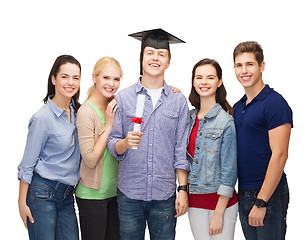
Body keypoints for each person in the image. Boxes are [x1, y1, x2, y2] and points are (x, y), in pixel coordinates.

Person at [107, 28, 190, 240]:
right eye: (150, 53)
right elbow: (112, 142)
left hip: (164, 195)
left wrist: (183, 189)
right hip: (129, 194)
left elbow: (181, 149)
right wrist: (125, 143)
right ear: (141, 58)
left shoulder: (177, 100)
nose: (155, 58)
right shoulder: (124, 98)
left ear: (168, 62)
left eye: (161, 54)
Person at [233, 41, 293, 240]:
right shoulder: (238, 106)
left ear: (262, 66)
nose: (244, 71)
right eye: (239, 65)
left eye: (250, 64)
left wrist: (261, 201)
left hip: (268, 194)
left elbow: (280, 154)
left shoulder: (274, 103)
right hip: (244, 191)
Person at [17, 55, 82, 240]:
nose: (70, 82)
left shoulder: (79, 113)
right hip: (41, 193)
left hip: (67, 196)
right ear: (53, 79)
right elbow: (27, 164)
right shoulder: (42, 118)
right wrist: (22, 202)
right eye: (64, 76)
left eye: (76, 78)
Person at [187, 58, 238, 240]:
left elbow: (229, 170)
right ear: (193, 82)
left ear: (219, 81)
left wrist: (219, 213)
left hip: (221, 204)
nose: (204, 82)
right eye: (199, 77)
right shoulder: (189, 118)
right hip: (194, 202)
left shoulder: (226, 121)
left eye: (210, 77)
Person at [75, 57, 122, 240]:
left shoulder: (114, 105)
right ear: (94, 77)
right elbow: (90, 159)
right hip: (92, 197)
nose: (111, 84)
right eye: (106, 78)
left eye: (116, 79)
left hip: (115, 193)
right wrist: (108, 127)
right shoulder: (86, 111)